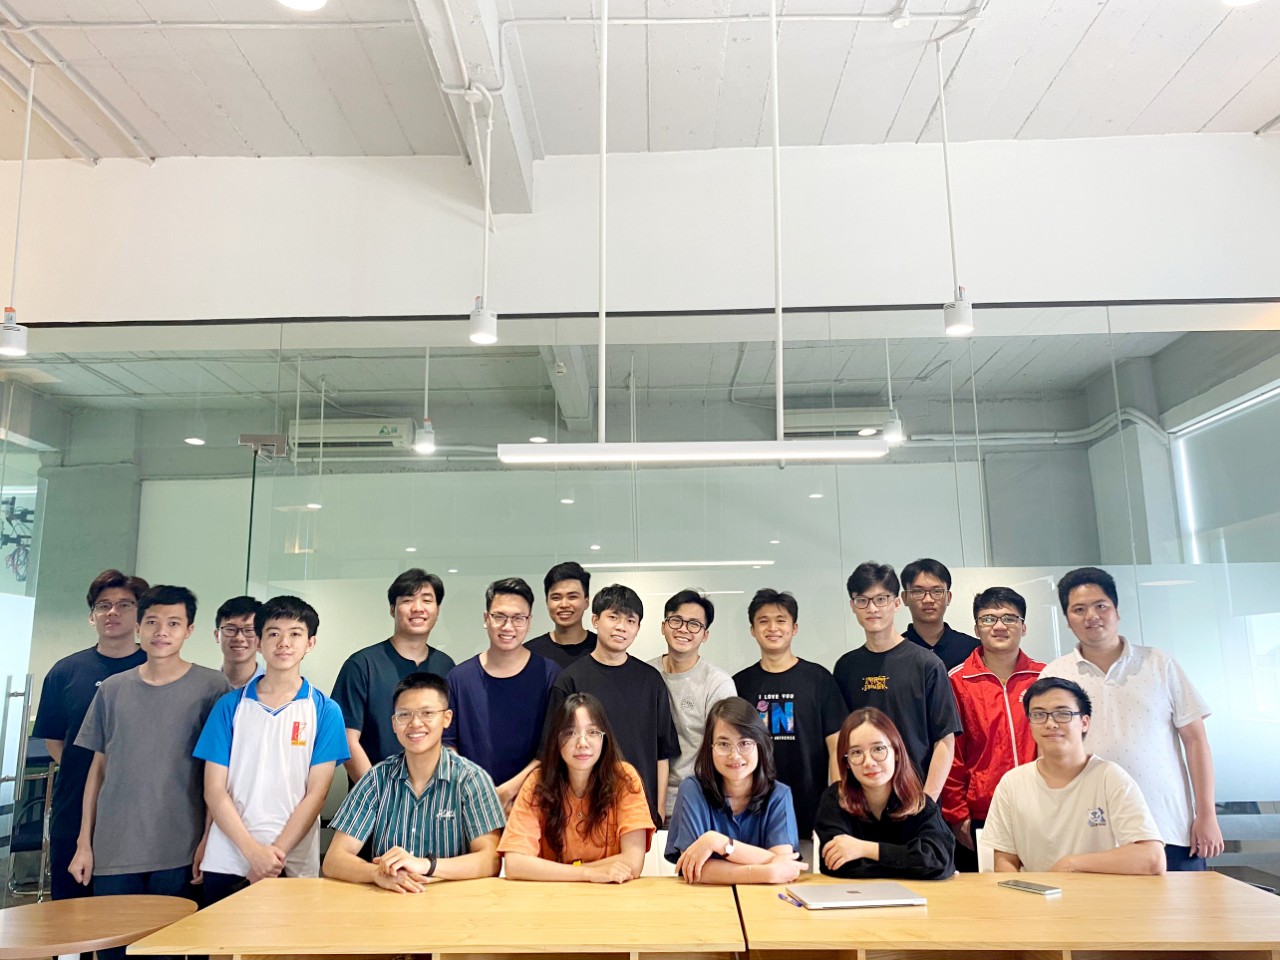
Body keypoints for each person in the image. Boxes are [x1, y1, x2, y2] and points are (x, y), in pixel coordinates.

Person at [70, 585, 231, 958]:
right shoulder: (112, 689)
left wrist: (209, 840)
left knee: (165, 952)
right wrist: (84, 843)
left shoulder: (213, 688)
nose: (162, 632)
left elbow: (219, 774)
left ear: (189, 630)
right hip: (113, 851)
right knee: (112, 951)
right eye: (153, 622)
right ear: (139, 627)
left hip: (179, 850)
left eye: (174, 623)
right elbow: (99, 769)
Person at [1040, 566, 1222, 872]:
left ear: (1117, 611)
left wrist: (1206, 815)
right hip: (1090, 832)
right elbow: (1047, 751)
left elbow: (1195, 741)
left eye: (1101, 606)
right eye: (1079, 610)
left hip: (1167, 826)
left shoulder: (1158, 663)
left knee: (1183, 903)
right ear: (1068, 620)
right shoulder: (1055, 675)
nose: (1091, 616)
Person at [194, 595, 349, 903]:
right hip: (228, 859)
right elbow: (214, 790)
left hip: (292, 863)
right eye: (273, 633)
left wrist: (273, 856)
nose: (284, 643)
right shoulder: (229, 706)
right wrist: (254, 854)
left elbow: (317, 794)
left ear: (310, 643)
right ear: (259, 642)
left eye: (295, 634)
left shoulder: (325, 710)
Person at [323, 672, 505, 891]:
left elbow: (491, 859)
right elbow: (334, 859)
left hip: (452, 901)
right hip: (389, 899)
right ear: (394, 723)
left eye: (427, 713)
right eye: (404, 715)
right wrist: (376, 873)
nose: (415, 723)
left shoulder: (471, 779)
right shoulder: (377, 779)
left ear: (447, 718)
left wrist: (426, 865)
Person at [33, 569, 149, 902]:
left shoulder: (157, 667)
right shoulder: (66, 671)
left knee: (130, 908)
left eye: (124, 605)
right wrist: (89, 774)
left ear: (140, 616)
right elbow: (55, 739)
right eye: (103, 605)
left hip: (139, 808)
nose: (112, 612)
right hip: (74, 805)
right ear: (91, 616)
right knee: (71, 908)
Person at [983, 677, 1165, 875]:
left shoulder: (1109, 777)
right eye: (1039, 714)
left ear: (1084, 722)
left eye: (1063, 713)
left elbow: (1153, 858)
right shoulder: (1012, 783)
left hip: (1097, 893)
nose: (1050, 723)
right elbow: (1004, 861)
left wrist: (1072, 864)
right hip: (1037, 893)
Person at [546, 584, 680, 826]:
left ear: (637, 628)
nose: (621, 627)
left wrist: (658, 810)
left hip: (640, 812)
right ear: (595, 620)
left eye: (630, 621)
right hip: (584, 812)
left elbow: (663, 754)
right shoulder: (570, 680)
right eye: (613, 617)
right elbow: (555, 750)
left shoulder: (651, 680)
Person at [834, 562, 961, 801]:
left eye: (881, 599)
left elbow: (945, 741)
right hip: (863, 801)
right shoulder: (846, 667)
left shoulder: (927, 664)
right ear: (853, 606)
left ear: (895, 603)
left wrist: (927, 801)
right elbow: (841, 740)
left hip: (916, 798)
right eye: (862, 600)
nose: (872, 608)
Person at [732, 589, 845, 853]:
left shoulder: (819, 679)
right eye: (764, 621)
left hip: (810, 810)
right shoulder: (739, 684)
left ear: (794, 628)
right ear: (752, 630)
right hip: (753, 811)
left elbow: (837, 747)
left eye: (781, 620)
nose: (773, 628)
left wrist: (837, 806)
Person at [942, 586, 1045, 872]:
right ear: (977, 628)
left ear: (1023, 627)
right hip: (983, 814)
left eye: (1009, 618)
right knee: (990, 894)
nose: (999, 626)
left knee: (1048, 889)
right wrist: (958, 816)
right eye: (988, 619)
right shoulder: (957, 681)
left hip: (1043, 808)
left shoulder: (1044, 677)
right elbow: (951, 753)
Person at [498, 692, 653, 882]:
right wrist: (587, 873)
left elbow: (633, 862)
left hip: (611, 893)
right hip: (552, 896)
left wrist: (553, 871)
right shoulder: (538, 782)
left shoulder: (624, 778)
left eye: (593, 732)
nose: (582, 743)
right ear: (556, 739)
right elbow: (515, 864)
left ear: (604, 738)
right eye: (570, 733)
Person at [445, 577, 560, 812]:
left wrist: (508, 792)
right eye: (499, 616)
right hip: (472, 804)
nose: (508, 627)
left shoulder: (550, 675)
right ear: (486, 619)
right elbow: (448, 745)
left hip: (534, 805)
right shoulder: (459, 678)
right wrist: (480, 792)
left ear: (529, 621)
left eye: (518, 618)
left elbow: (553, 747)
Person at [332, 569, 456, 783]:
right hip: (375, 796)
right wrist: (378, 794)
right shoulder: (362, 665)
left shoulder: (446, 666)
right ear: (392, 609)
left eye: (427, 600)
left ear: (437, 609)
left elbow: (449, 737)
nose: (418, 608)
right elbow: (347, 738)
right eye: (408, 600)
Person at [664, 697, 803, 884]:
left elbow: (784, 864)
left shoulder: (779, 795)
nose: (734, 755)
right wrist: (766, 873)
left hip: (764, 899)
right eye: (723, 744)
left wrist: (719, 843)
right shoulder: (692, 790)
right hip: (704, 899)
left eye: (744, 743)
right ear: (709, 748)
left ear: (760, 745)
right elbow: (694, 869)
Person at [814, 707, 955, 880]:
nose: (869, 762)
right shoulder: (835, 799)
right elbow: (837, 865)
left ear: (896, 752)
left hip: (914, 895)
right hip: (855, 895)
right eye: (856, 752)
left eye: (878, 749)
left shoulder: (919, 803)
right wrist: (911, 862)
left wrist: (866, 849)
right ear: (847, 762)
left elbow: (939, 860)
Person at [648, 589, 736, 820]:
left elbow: (726, 748)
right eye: (676, 620)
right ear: (663, 626)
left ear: (705, 635)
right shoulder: (644, 675)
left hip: (699, 805)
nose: (683, 629)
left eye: (694, 624)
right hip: (646, 803)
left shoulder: (718, 684)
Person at [899, 558, 980, 671]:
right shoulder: (895, 651)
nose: (928, 600)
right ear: (904, 598)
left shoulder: (972, 649)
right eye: (918, 592)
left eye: (937, 591)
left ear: (948, 597)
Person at [524, 561, 597, 668]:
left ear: (586, 601)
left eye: (572, 597)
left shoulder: (602, 648)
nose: (564, 605)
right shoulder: (529, 653)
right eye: (556, 598)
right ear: (547, 602)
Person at [213, 595, 262, 689]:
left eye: (249, 630)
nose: (239, 638)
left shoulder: (276, 688)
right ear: (217, 635)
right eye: (230, 629)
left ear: (260, 637)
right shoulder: (204, 687)